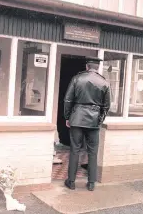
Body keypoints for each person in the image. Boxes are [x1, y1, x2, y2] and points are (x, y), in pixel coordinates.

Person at [63, 56, 111, 191]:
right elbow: (107, 106)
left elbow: (67, 100)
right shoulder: (104, 82)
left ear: (86, 67)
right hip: (94, 120)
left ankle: (71, 182)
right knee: (92, 152)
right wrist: (100, 120)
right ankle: (91, 183)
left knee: (74, 150)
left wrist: (68, 117)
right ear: (97, 68)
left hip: (77, 118)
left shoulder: (77, 79)